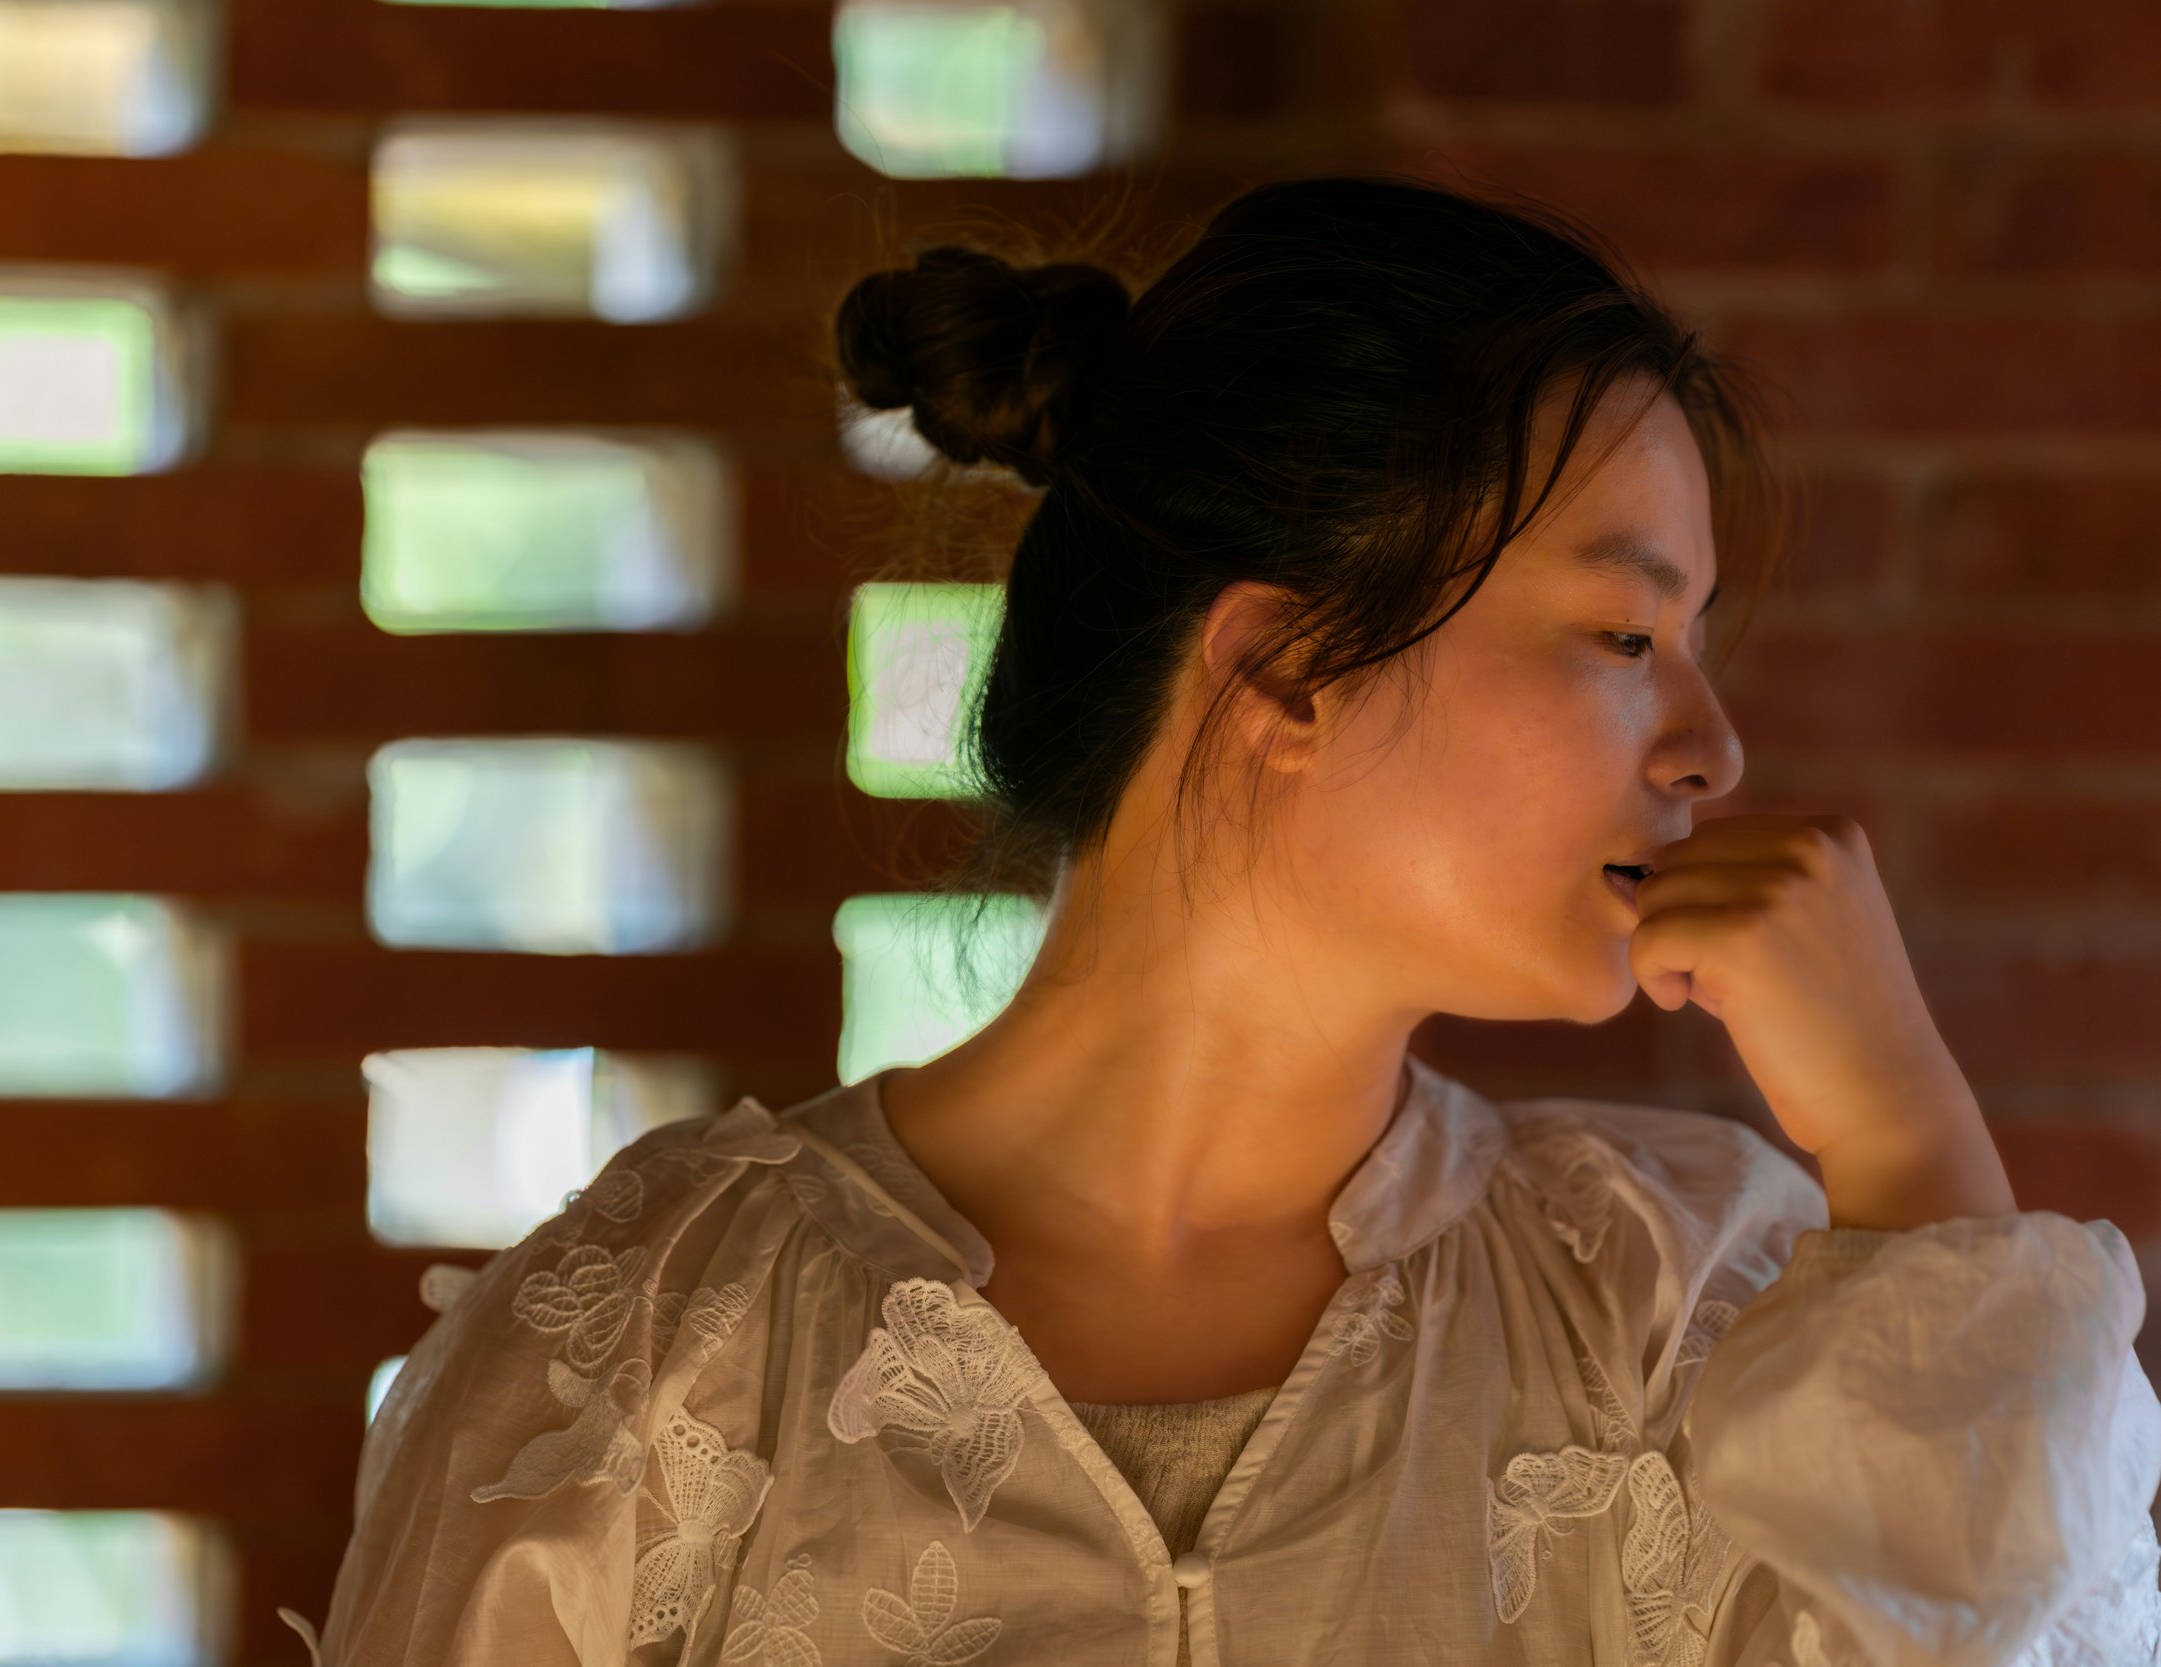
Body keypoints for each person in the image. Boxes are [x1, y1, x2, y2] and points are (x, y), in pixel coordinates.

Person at [304, 176, 2161, 1667]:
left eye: (1696, 649)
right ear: (1282, 666)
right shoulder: (649, 1358)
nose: (1711, 744)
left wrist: (1913, 1153)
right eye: (1624, 635)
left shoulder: (1684, 1311)